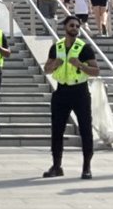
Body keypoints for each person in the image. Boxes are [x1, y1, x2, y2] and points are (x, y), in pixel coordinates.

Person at [42, 16, 99, 179]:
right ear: (65, 27)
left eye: (77, 26)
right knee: (57, 129)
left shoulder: (85, 48)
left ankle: (86, 167)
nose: (75, 28)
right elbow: (47, 69)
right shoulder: (56, 47)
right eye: (71, 25)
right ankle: (56, 165)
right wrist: (54, 65)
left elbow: (96, 71)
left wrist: (80, 65)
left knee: (85, 129)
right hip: (61, 91)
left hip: (80, 92)